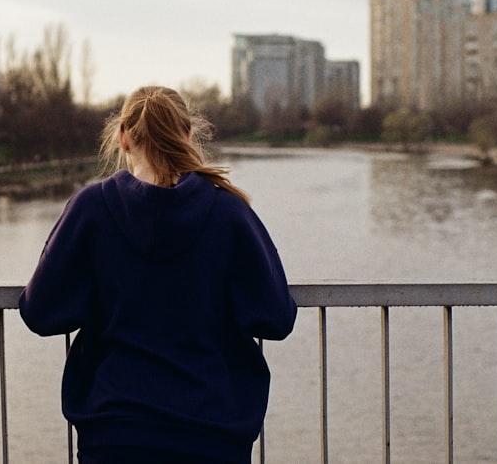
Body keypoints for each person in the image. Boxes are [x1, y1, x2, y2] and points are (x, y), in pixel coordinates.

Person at [19, 86, 297, 464]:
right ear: (186, 136)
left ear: (123, 137)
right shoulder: (228, 212)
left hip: (116, 431)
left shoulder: (91, 208)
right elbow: (276, 318)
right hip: (212, 432)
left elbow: (40, 311)